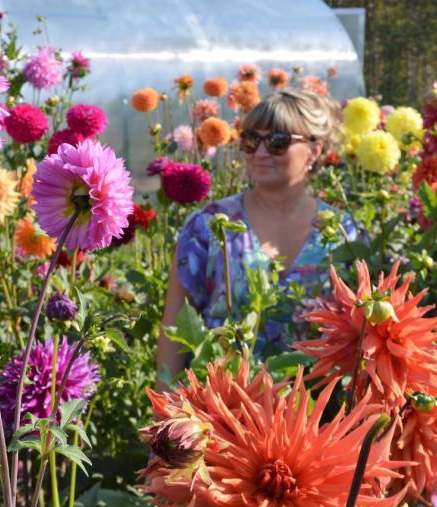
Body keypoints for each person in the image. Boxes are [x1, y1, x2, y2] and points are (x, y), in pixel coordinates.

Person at [156, 89, 364, 387]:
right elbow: (176, 323)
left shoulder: (343, 234)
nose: (261, 153)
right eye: (252, 140)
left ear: (315, 151)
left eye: (278, 142)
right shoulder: (210, 225)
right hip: (223, 410)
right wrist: (166, 409)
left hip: (316, 413)